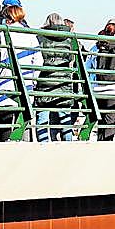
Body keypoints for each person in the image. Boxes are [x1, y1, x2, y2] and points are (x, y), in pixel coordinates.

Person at [0, 4, 42, 141]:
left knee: (4, 129)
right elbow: (38, 62)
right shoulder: (31, 36)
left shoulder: (2, 35)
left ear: (8, 18)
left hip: (4, 88)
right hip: (25, 89)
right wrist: (32, 81)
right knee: (22, 125)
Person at [35, 12, 78, 141]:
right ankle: (68, 145)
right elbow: (71, 58)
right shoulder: (70, 38)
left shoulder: (40, 37)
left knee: (42, 117)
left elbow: (36, 58)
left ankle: (43, 145)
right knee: (65, 118)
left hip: (44, 83)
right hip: (63, 82)